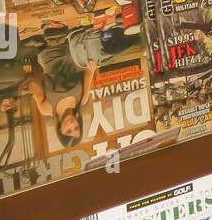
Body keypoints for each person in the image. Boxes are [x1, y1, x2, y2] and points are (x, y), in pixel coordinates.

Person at [11, 18, 139, 148]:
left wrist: (23, 93)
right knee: (107, 51)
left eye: (68, 130)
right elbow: (89, 72)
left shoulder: (47, 109)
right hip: (70, 43)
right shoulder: (82, 100)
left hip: (46, 48)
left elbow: (32, 84)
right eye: (76, 127)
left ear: (60, 131)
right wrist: (93, 66)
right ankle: (133, 33)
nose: (72, 125)